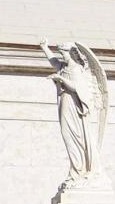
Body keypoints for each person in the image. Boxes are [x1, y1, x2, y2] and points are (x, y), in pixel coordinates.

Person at [40, 38, 101, 182]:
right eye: (61, 54)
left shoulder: (76, 69)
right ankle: (75, 169)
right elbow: (54, 62)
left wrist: (61, 80)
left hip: (74, 105)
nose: (62, 57)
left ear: (72, 53)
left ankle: (80, 169)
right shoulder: (64, 67)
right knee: (67, 135)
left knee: (76, 136)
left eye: (64, 54)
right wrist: (44, 48)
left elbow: (77, 88)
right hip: (65, 103)